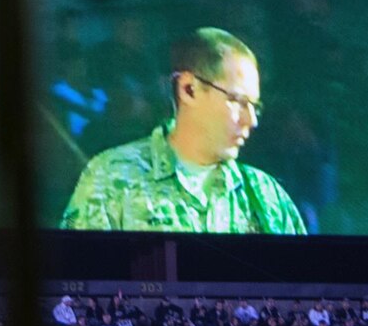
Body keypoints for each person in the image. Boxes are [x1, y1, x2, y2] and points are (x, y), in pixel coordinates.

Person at [59, 29, 305, 233]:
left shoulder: (265, 196)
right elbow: (76, 283)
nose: (251, 120)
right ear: (189, 89)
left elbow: (303, 286)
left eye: (255, 106)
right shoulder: (111, 178)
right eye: (237, 101)